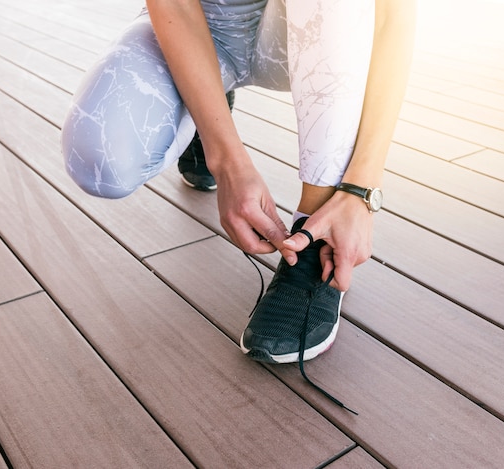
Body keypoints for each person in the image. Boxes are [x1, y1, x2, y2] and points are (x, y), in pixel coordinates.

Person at [62, 0, 415, 372]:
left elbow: (392, 15)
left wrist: (360, 189)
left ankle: (314, 231)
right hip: (202, 19)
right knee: (100, 161)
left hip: (305, 28)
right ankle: (205, 110)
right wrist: (226, 159)